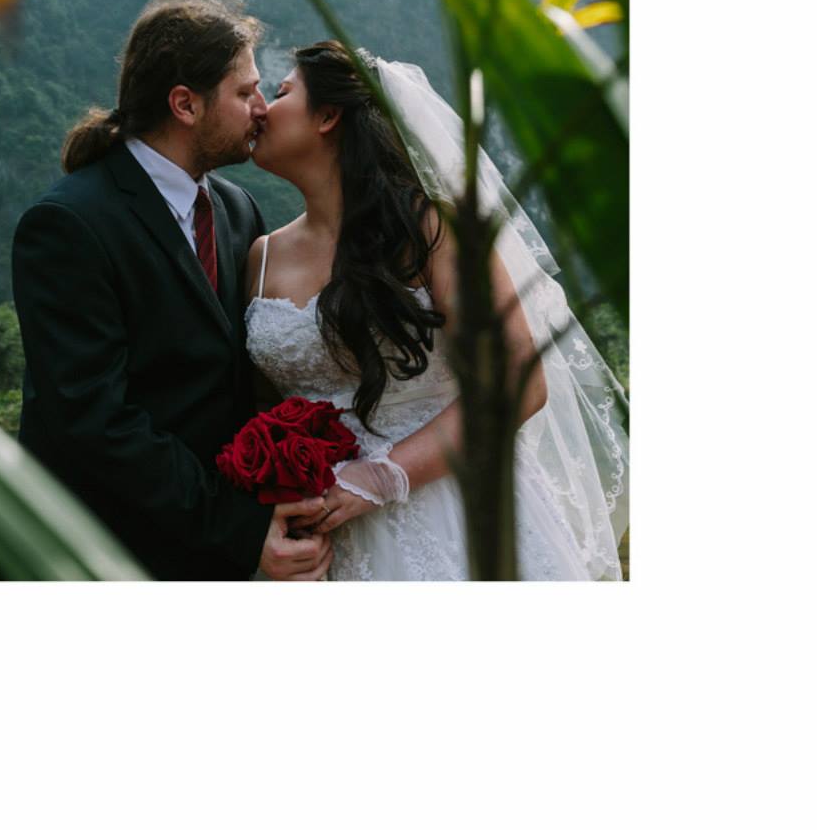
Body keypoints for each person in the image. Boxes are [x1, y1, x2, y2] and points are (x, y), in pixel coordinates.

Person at [241, 42, 628, 579]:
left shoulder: (431, 230)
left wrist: (380, 478)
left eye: (282, 93)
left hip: (450, 511)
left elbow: (518, 383)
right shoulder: (261, 256)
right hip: (316, 539)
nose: (260, 108)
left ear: (328, 116)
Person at [10, 0, 321, 580]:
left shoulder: (236, 209)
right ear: (185, 104)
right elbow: (94, 422)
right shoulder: (67, 225)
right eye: (246, 92)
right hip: (105, 555)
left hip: (212, 557)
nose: (263, 109)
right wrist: (237, 528)